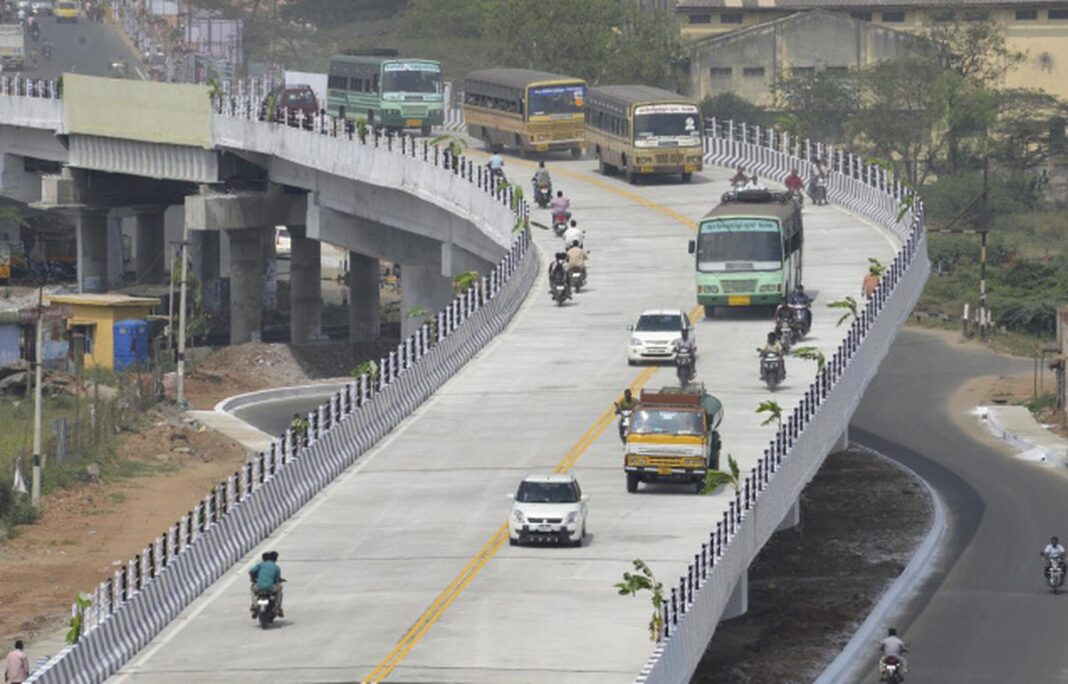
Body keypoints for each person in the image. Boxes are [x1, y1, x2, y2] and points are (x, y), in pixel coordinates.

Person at [249, 550, 284, 618]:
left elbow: (251, 571)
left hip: (259, 587)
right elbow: (277, 580)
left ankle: (254, 604)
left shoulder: (260, 565)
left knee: (252, 589)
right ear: (275, 559)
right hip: (270, 588)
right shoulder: (276, 567)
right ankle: (277, 607)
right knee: (280, 589)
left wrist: (253, 579)